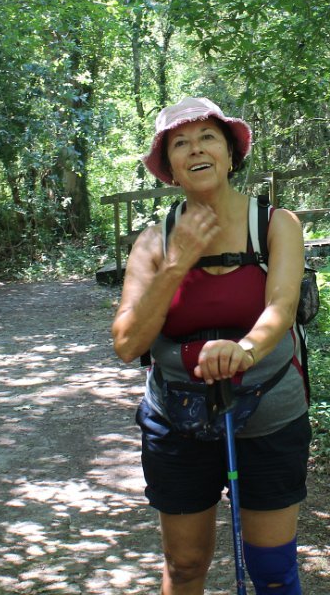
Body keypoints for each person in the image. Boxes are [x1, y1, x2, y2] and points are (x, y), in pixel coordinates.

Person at [112, 96, 310, 595]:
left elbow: (282, 307)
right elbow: (128, 343)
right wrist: (177, 263)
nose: (196, 149)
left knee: (273, 571)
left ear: (229, 152)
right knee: (184, 565)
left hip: (270, 412)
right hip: (175, 417)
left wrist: (245, 349)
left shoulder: (275, 225)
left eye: (207, 138)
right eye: (180, 143)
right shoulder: (153, 243)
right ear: (169, 166)